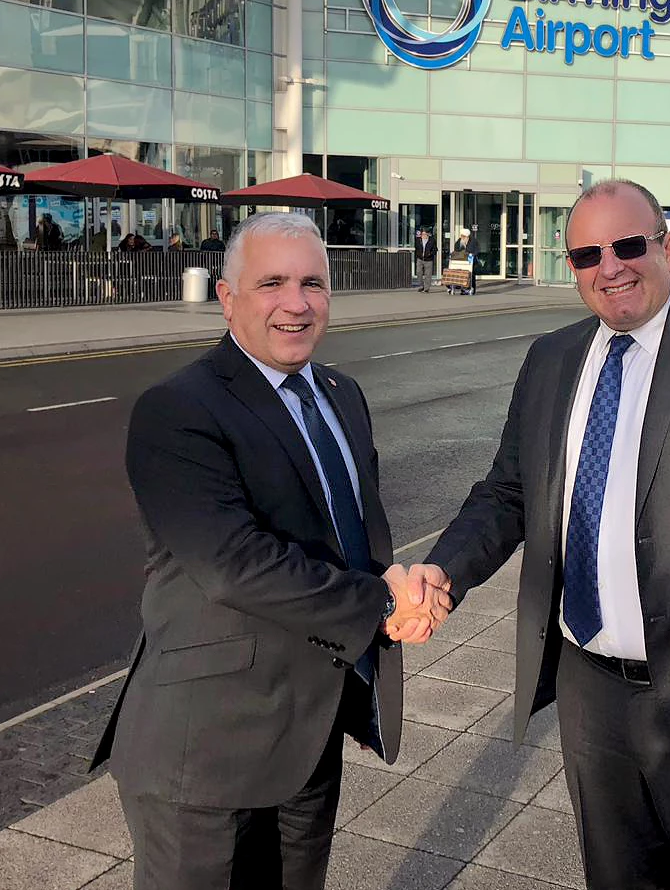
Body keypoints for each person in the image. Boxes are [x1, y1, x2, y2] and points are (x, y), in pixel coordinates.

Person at [402, 180, 670, 890]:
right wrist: (443, 570)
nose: (610, 266)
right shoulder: (551, 358)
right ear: (571, 265)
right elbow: (509, 492)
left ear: (667, 247)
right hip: (590, 696)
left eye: (628, 245)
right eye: (587, 253)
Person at [91, 213, 446, 890]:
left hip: (308, 737)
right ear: (227, 298)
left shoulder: (343, 395)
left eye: (313, 282)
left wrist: (404, 586)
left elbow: (352, 539)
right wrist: (379, 603)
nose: (296, 302)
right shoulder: (178, 408)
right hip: (206, 752)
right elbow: (233, 564)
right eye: (272, 282)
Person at [451, 227, 477, 295]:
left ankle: (471, 289)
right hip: (461, 261)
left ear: (467, 236)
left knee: (471, 276)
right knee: (461, 275)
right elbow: (456, 249)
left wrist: (472, 254)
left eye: (463, 236)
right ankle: (463, 289)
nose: (462, 237)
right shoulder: (459, 241)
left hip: (471, 262)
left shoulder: (473, 241)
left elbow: (477, 250)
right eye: (461, 236)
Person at [415, 227, 436, 293]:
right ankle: (421, 286)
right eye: (422, 234)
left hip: (429, 259)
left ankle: (427, 288)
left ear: (427, 234)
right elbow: (416, 248)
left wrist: (430, 253)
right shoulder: (418, 240)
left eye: (425, 234)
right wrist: (418, 254)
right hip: (420, 258)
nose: (423, 236)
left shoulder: (432, 240)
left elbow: (435, 250)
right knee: (419, 272)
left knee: (428, 274)